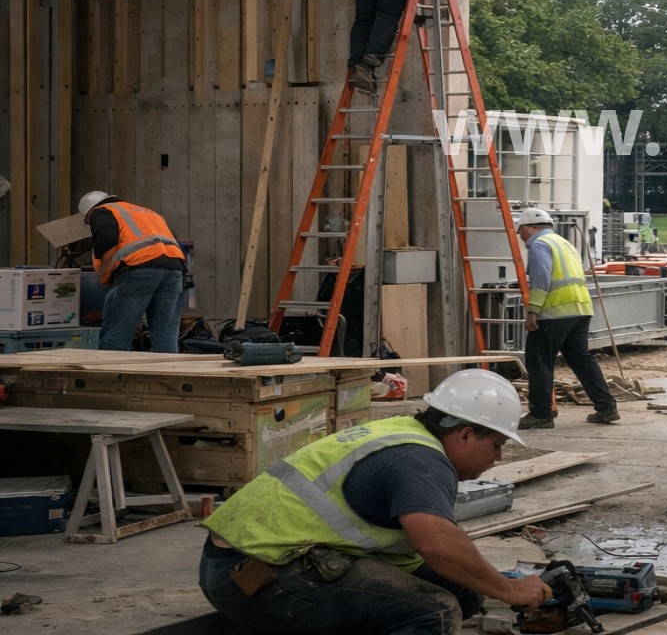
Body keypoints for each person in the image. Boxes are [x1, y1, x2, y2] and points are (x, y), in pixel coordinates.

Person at [198, 370, 551, 634]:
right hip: (253, 576)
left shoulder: (404, 433)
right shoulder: (420, 461)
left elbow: (429, 551)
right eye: (496, 445)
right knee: (434, 612)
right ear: (466, 434)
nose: (498, 457)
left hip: (260, 560)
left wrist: (488, 583)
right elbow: (436, 543)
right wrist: (507, 589)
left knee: (465, 593)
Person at [513, 207, 620, 430]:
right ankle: (606, 406)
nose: (521, 238)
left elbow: (542, 279)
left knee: (539, 361)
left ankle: (541, 414)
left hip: (554, 313)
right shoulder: (563, 243)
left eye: (520, 232)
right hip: (580, 309)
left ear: (529, 228)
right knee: (581, 359)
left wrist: (533, 310)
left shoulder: (539, 245)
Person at [80, 190, 188, 352]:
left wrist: (104, 274)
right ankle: (165, 376)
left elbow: (107, 240)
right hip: (174, 270)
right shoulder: (147, 212)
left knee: (117, 335)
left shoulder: (102, 211)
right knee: (165, 337)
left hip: (139, 269)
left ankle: (110, 375)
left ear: (89, 212)